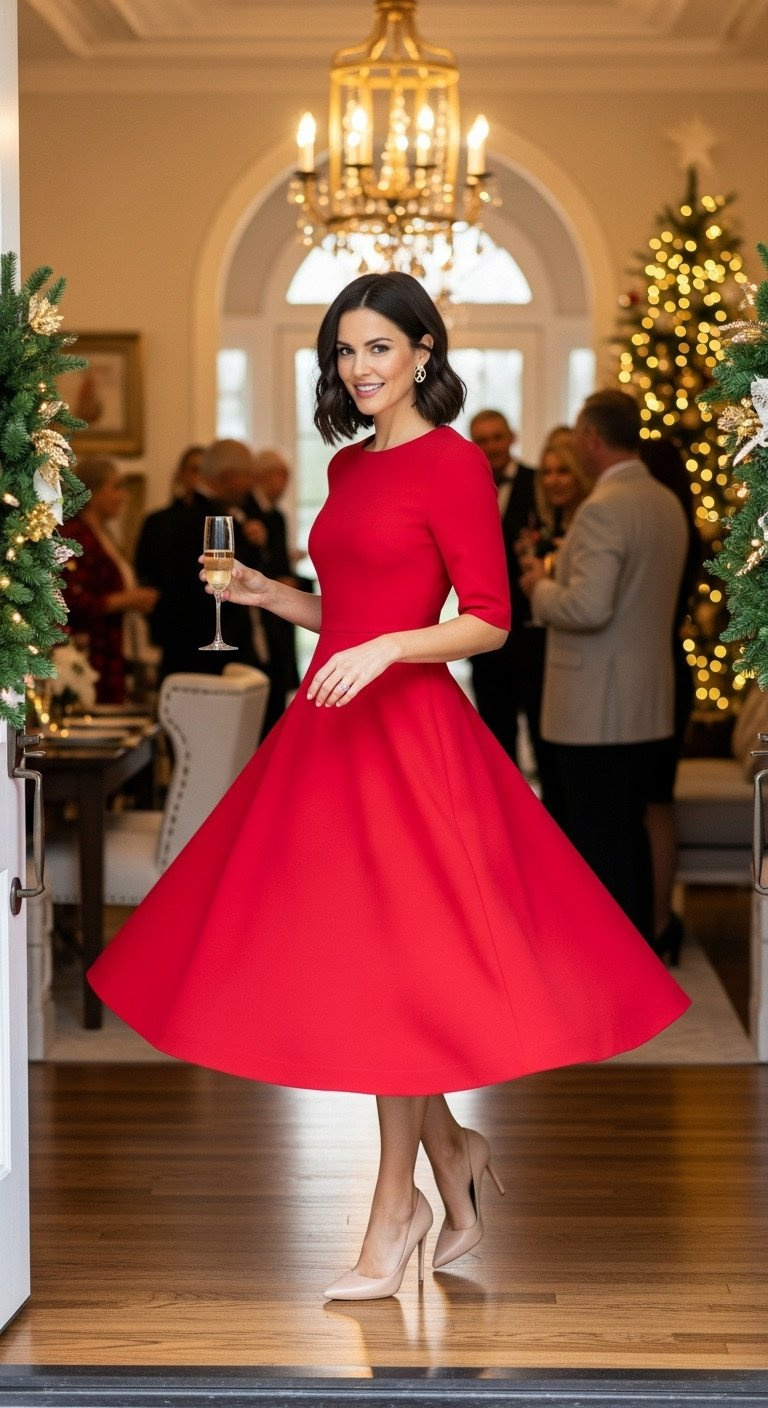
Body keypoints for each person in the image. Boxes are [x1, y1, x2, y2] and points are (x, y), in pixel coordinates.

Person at [88, 276, 689, 1303]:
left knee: (398, 973)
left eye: (377, 348)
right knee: (361, 970)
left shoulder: (452, 463)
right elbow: (350, 606)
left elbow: (490, 618)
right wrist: (268, 593)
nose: (358, 368)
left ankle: (395, 1207)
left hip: (408, 741)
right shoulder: (347, 464)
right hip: (330, 731)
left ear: (422, 351)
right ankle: (447, 1160)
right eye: (342, 352)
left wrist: (398, 648)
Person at [520, 390, 689, 941]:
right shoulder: (665, 502)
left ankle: (610, 962)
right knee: (629, 835)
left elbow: (588, 609)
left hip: (594, 706)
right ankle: (640, 944)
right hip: (646, 699)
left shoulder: (602, 509)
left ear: (592, 439)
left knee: (599, 842)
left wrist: (539, 588)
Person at [639, 437, 703, 964]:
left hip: (649, 670)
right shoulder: (680, 520)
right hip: (671, 668)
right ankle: (660, 922)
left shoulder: (648, 517)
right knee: (658, 799)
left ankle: (655, 922)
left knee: (649, 801)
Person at [515, 426, 592, 822]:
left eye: (563, 471)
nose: (554, 480)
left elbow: (586, 603)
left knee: (570, 777)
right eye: (547, 472)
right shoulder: (544, 526)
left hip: (574, 663)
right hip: (534, 655)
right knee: (545, 763)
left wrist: (539, 583)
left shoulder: (589, 523)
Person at [134, 439, 259, 677]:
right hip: (210, 655)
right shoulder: (215, 519)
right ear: (229, 475)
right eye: (247, 476)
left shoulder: (177, 518)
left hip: (178, 649)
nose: (250, 485)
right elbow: (232, 584)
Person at [468, 409, 537, 764]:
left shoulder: (538, 482)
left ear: (511, 437)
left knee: (543, 740)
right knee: (495, 744)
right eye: (482, 440)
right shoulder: (465, 490)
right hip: (484, 637)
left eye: (497, 437)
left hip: (532, 634)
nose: (491, 446)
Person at [63, 455, 158, 702]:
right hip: (90, 653)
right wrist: (127, 600)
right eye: (115, 487)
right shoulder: (75, 535)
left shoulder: (102, 534)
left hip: (111, 650)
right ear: (92, 493)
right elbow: (71, 601)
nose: (122, 496)